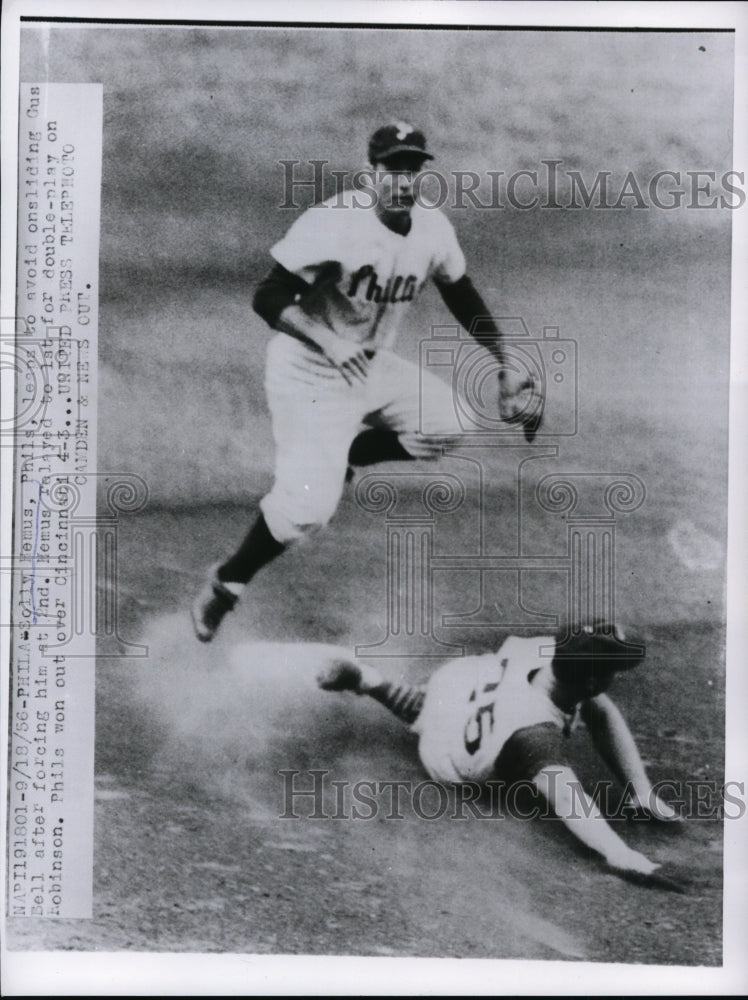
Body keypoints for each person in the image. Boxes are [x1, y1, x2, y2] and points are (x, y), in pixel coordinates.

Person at [192, 121, 539, 642]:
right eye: (393, 169)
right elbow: (267, 295)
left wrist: (504, 363)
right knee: (308, 512)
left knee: (451, 423)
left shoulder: (431, 228)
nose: (404, 181)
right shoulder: (333, 223)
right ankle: (227, 582)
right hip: (308, 372)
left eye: (413, 169)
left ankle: (353, 451)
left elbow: (461, 294)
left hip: (371, 365)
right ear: (371, 172)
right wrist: (330, 342)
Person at [316, 620, 687, 891]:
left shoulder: (548, 650)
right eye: (612, 672)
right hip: (448, 753)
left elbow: (600, 709)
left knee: (436, 699)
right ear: (591, 681)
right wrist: (621, 854)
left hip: (461, 680)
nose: (616, 676)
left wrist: (641, 791)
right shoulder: (533, 736)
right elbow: (569, 798)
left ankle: (374, 681)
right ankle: (372, 683)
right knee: (431, 719)